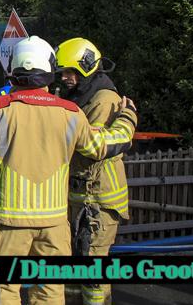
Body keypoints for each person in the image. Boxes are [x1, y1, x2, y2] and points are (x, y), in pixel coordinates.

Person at [0, 36, 137, 305]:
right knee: (50, 290)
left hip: (8, 223)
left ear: (14, 71)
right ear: (49, 70)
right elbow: (101, 148)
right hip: (54, 224)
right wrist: (129, 117)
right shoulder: (71, 113)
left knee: (4, 289)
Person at [56, 38, 127, 305]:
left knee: (92, 268)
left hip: (99, 199)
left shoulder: (103, 99)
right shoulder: (79, 96)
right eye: (62, 71)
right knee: (76, 263)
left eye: (69, 71)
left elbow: (89, 150)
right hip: (82, 196)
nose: (64, 77)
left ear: (86, 66)